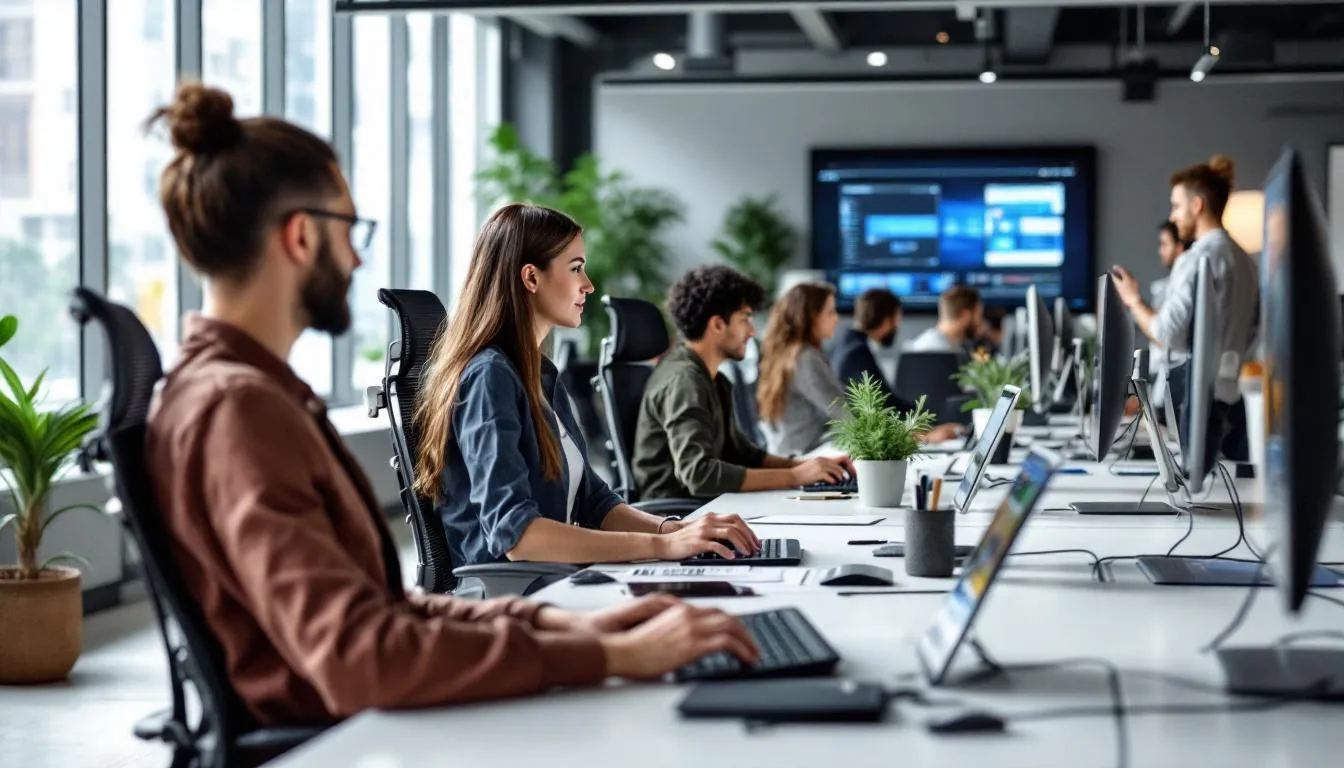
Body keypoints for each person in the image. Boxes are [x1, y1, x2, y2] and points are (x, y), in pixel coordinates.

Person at [144, 83, 757, 728]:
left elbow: (387, 610)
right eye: (350, 230)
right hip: (344, 739)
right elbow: (363, 655)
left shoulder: (256, 395)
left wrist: (576, 628)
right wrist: (604, 652)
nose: (356, 257)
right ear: (300, 236)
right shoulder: (238, 412)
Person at [414, 203, 761, 567]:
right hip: (515, 596)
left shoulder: (541, 374)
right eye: (576, 268)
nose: (589, 285)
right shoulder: (490, 377)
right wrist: (662, 548)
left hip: (557, 578)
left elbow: (593, 501)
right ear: (531, 278)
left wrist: (675, 531)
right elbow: (518, 536)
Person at [633, 266, 855, 500]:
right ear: (717, 325)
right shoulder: (685, 381)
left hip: (707, 505)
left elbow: (743, 455)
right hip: (680, 515)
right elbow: (700, 475)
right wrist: (796, 476)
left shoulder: (713, 378)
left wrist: (806, 466)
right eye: (745, 319)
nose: (751, 331)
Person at [1110, 155, 1258, 461]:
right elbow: (1253, 328)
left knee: (1196, 497)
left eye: (1176, 206)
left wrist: (1133, 299)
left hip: (1198, 399)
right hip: (1231, 397)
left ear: (1197, 205)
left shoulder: (1196, 260)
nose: (1173, 216)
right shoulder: (1244, 259)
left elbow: (1166, 334)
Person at [759, 284, 961, 456]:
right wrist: (922, 436)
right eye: (830, 312)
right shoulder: (805, 358)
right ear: (811, 317)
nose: (836, 319)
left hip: (806, 451)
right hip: (808, 455)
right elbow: (847, 418)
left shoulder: (798, 354)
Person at [905, 285, 983, 360]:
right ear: (965, 316)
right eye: (978, 315)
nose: (980, 323)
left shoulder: (918, 346)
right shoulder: (939, 352)